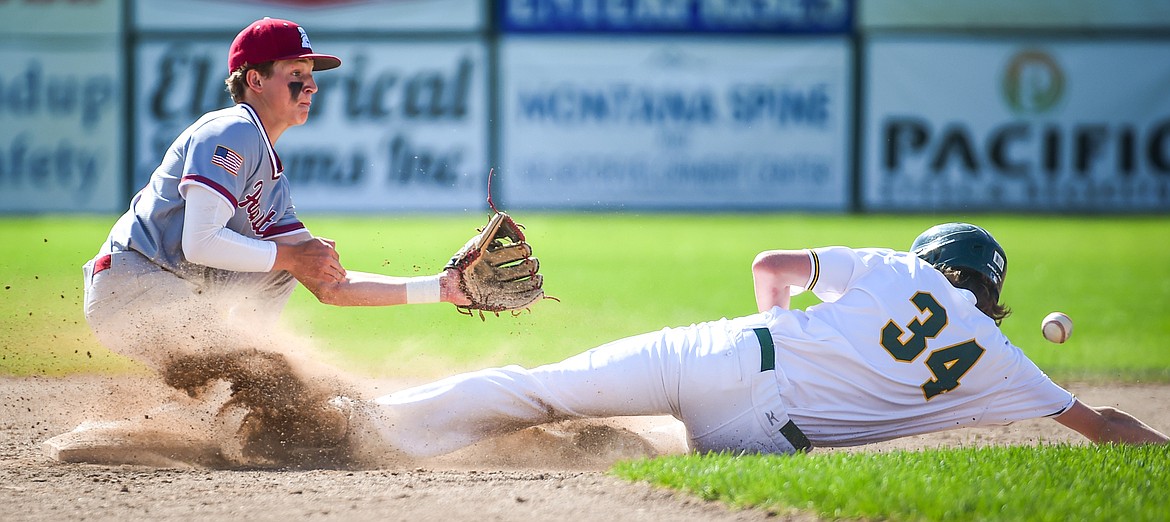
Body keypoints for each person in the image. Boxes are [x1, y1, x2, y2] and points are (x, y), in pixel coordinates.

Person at [338, 222, 1167, 464]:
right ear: (989, 293)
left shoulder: (892, 266)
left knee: (535, 389)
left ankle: (363, 425)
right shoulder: (1005, 368)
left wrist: (769, 323)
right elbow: (1106, 428)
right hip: (762, 438)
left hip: (729, 353)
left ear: (935, 264)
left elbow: (772, 264)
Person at [46, 17, 475, 467]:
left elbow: (330, 285)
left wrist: (440, 288)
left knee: (288, 293)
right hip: (133, 283)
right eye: (296, 75)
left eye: (311, 77)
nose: (311, 87)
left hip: (170, 292)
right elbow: (201, 242)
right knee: (274, 374)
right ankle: (227, 412)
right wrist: (291, 256)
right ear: (255, 79)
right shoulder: (231, 130)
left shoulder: (272, 181)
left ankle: (151, 432)